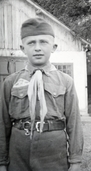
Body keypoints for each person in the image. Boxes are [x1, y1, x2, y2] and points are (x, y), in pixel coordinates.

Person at [0, 18, 83, 171]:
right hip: (18, 151)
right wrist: (2, 163)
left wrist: (75, 161)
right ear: (23, 48)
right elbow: (2, 124)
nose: (37, 48)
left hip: (53, 151)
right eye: (31, 43)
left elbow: (74, 123)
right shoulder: (11, 82)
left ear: (54, 47)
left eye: (43, 42)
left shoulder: (65, 81)